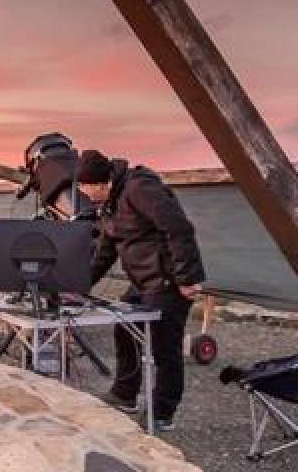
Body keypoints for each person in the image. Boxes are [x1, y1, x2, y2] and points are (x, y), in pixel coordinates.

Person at [76, 150, 206, 431]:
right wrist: (78, 285)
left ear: (101, 182)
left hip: (168, 281)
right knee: (124, 328)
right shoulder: (110, 204)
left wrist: (186, 278)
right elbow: (105, 252)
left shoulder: (140, 188)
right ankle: (125, 395)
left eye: (85, 189)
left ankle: (163, 412)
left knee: (165, 349)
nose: (84, 195)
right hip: (143, 282)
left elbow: (179, 228)